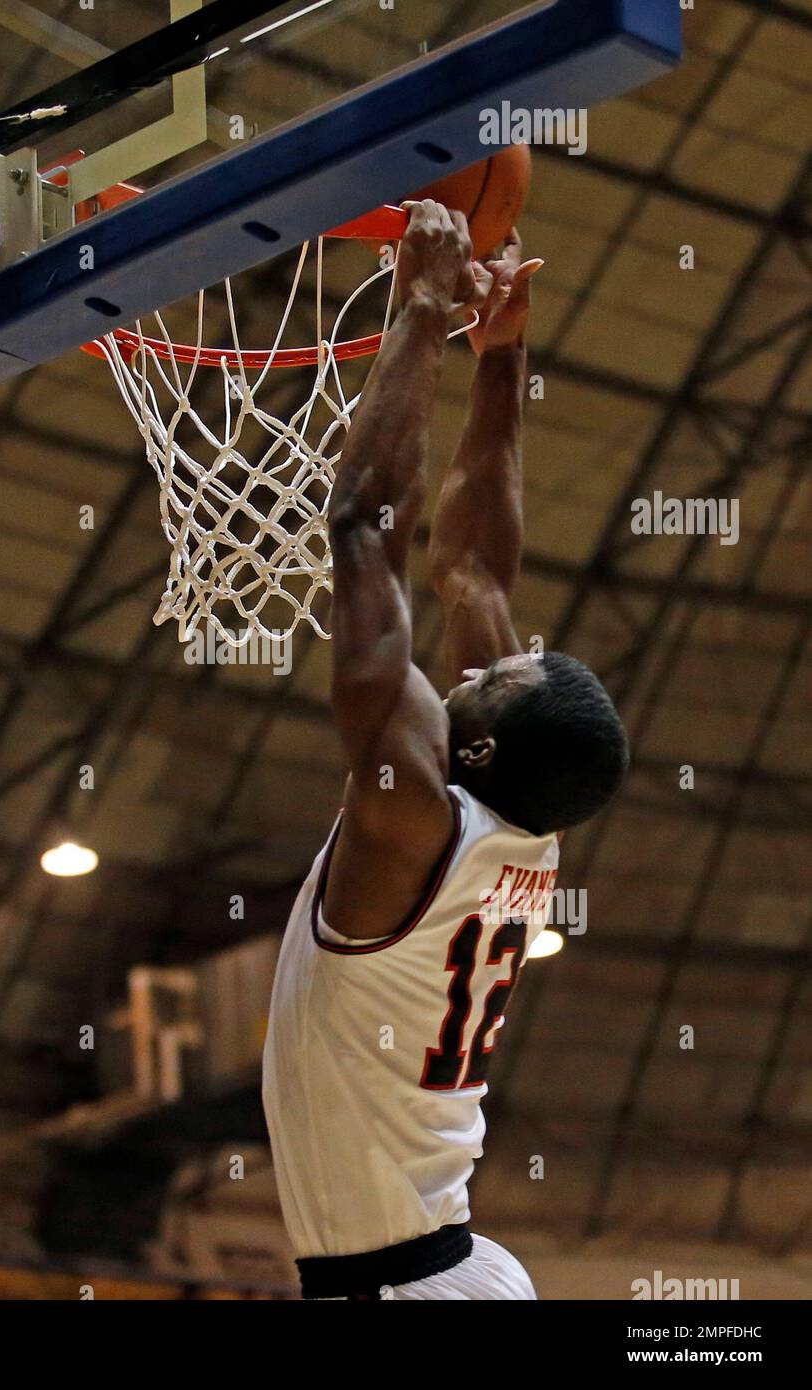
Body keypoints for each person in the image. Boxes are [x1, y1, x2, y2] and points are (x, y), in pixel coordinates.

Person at [262, 201, 628, 1301]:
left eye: (482, 683)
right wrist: (500, 356)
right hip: (432, 1271)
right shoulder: (507, 814)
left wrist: (420, 313)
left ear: (472, 748)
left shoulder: (412, 814)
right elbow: (475, 573)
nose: (466, 670)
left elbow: (363, 529)